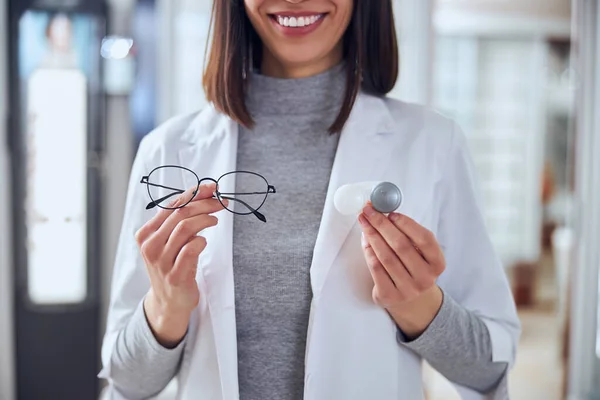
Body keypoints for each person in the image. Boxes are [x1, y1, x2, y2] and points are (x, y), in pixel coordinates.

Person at [100, 1, 520, 399]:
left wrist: (421, 308)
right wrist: (166, 309)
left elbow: (489, 367)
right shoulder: (168, 151)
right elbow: (128, 381)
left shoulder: (432, 143)